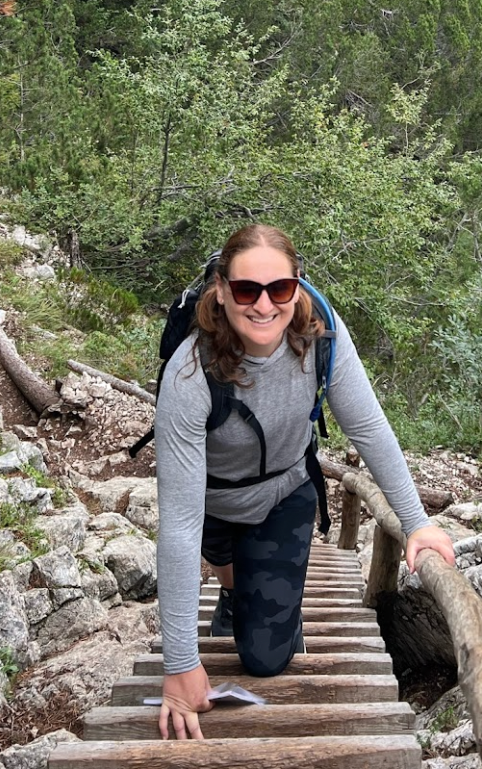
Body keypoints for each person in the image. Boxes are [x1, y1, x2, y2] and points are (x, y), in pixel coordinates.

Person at [154, 224, 456, 741]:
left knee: (267, 659)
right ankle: (233, 592)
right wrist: (180, 664)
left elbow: (369, 428)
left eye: (280, 290)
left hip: (286, 490)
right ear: (222, 292)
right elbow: (179, 525)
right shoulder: (190, 373)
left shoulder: (322, 337)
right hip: (212, 502)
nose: (264, 305)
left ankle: (256, 598)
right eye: (247, 290)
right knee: (225, 563)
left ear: (298, 284)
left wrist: (417, 524)